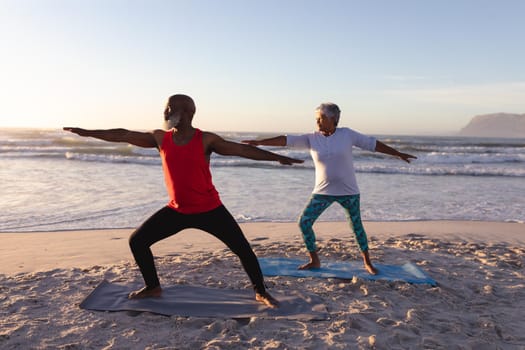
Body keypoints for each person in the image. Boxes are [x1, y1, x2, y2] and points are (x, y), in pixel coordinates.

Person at [64, 94, 303, 308]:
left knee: (243, 249)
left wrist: (277, 158)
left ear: (188, 112)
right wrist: (88, 132)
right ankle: (153, 287)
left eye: (171, 108)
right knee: (137, 241)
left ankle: (261, 292)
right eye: (166, 108)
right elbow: (122, 134)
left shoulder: (205, 140)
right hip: (176, 210)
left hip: (210, 209)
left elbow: (242, 150)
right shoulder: (160, 138)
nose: (166, 112)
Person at [243, 102, 416, 274]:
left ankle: (367, 262)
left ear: (334, 118)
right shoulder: (312, 138)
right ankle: (314, 260)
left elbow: (373, 144)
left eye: (322, 118)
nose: (318, 122)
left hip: (349, 192)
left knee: (356, 227)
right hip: (322, 192)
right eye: (317, 118)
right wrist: (260, 142)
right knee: (304, 222)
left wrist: (398, 153)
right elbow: (287, 140)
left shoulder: (347, 134)